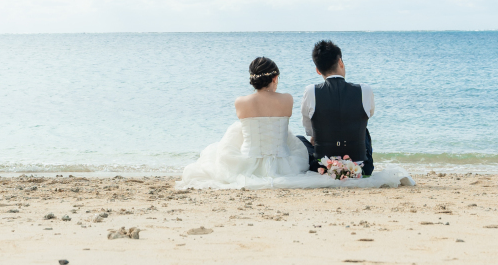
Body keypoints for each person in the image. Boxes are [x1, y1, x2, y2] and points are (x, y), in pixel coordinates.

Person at [175, 56, 414, 190]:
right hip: (284, 163)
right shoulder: (286, 99)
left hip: (247, 161)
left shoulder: (240, 102)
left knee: (237, 131)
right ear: (275, 78)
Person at [297, 40, 375, 176]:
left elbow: (308, 127)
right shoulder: (365, 89)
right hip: (361, 167)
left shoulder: (310, 91)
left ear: (317, 70)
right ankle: (354, 163)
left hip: (323, 167)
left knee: (299, 138)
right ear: (340, 62)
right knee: (364, 130)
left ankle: (332, 167)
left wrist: (316, 135)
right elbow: (369, 114)